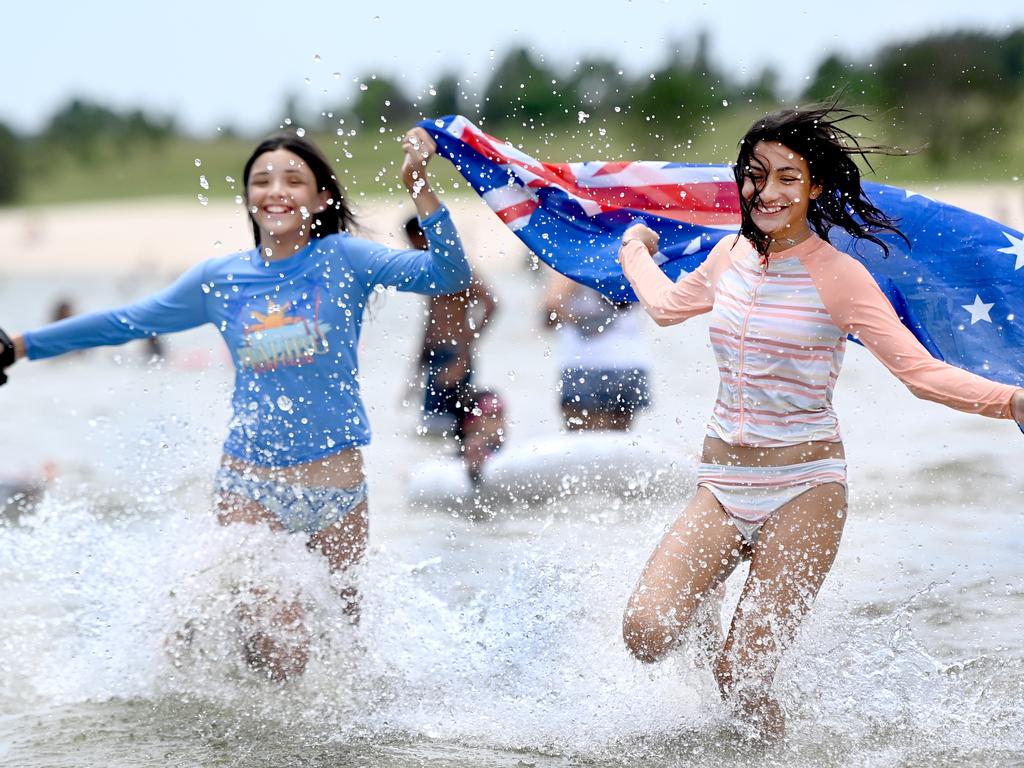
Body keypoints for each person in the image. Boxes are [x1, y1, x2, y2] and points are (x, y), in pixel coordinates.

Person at [0, 126, 471, 680]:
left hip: (338, 491)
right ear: (248, 197)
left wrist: (419, 186)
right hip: (252, 487)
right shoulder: (220, 280)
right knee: (281, 647)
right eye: (261, 180)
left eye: (294, 180)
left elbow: (449, 273)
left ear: (321, 198)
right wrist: (22, 345)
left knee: (346, 652)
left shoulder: (345, 259)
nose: (276, 190)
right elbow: (128, 321)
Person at [616, 105, 1024, 740]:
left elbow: (918, 373)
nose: (768, 191)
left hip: (804, 489)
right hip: (720, 485)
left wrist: (1013, 402)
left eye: (787, 177)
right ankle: (711, 606)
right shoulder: (728, 255)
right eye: (755, 175)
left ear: (816, 189)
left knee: (744, 680)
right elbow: (669, 307)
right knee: (645, 634)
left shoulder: (840, 277)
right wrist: (632, 248)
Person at [406, 215, 497, 437]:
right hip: (437, 355)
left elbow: (491, 304)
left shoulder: (455, 266)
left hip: (453, 354)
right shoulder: (432, 270)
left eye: (414, 242)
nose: (412, 249)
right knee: (431, 430)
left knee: (447, 429)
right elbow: (431, 319)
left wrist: (463, 355)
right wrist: (417, 367)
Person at [542, 269, 651, 431]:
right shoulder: (626, 254)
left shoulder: (575, 258)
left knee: (582, 448)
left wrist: (585, 323)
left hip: (585, 363)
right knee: (619, 447)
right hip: (630, 362)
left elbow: (552, 304)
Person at [456, 389, 507, 485]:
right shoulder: (470, 454)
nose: (500, 422)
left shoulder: (505, 453)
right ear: (469, 424)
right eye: (491, 415)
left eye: (501, 415)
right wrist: (472, 467)